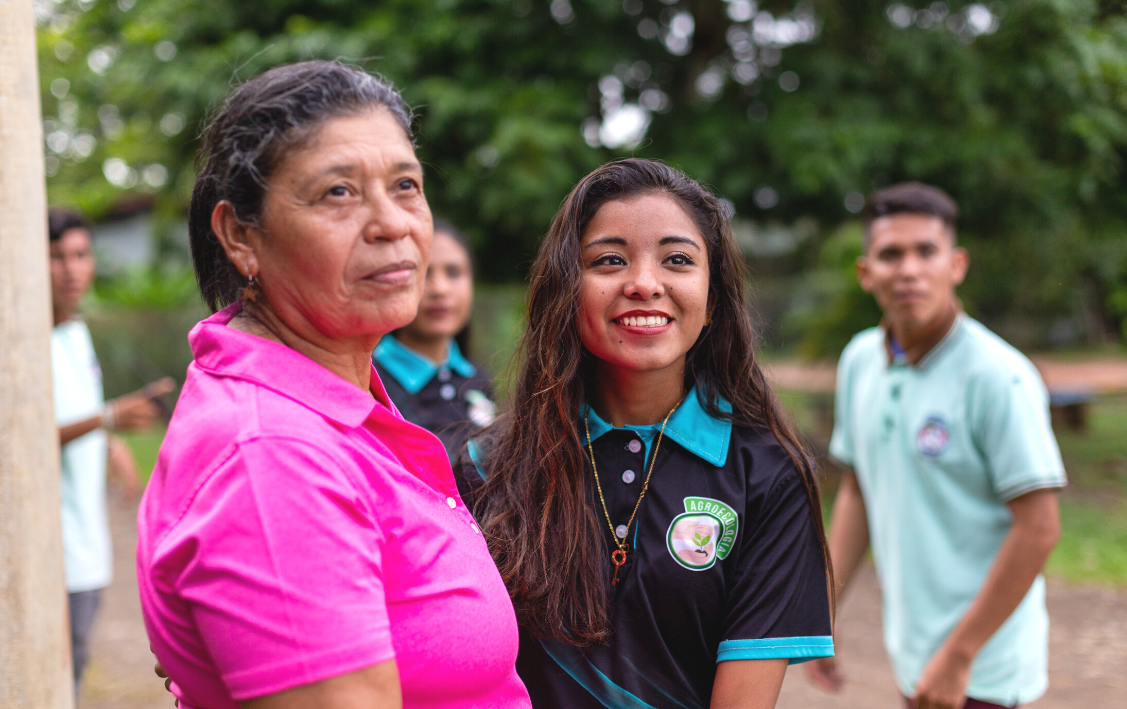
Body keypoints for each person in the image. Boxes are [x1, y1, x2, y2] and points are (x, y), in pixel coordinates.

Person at [136, 61, 530, 709]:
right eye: (337, 193)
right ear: (240, 235)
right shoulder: (273, 456)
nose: (391, 223)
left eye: (405, 185)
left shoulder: (335, 400)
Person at [458, 158, 834, 709]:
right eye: (609, 260)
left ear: (713, 300)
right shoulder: (485, 467)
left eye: (677, 260)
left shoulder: (769, 475)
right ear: (566, 289)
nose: (643, 284)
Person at [804, 183, 1065, 709]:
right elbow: (859, 489)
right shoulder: (859, 362)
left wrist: (960, 655)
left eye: (927, 251)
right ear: (865, 272)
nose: (908, 269)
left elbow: (1039, 527)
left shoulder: (999, 378)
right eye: (890, 254)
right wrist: (819, 617)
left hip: (982, 666)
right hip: (914, 652)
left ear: (957, 264)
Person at [48, 207, 174, 691]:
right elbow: (17, 435)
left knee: (72, 672)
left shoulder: (75, 333)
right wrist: (108, 419)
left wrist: (106, 439)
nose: (71, 269)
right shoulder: (18, 341)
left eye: (81, 255)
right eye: (56, 257)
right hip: (48, 552)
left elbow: (70, 414)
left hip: (87, 544)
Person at [373, 218, 496, 458]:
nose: (439, 289)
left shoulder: (477, 378)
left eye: (454, 272)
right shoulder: (370, 382)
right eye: (422, 272)